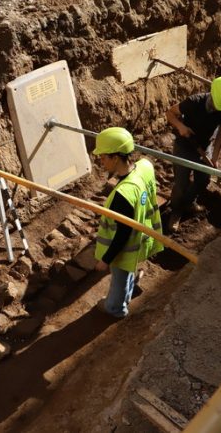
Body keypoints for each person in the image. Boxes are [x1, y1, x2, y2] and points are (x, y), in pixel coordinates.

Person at [92, 127, 164, 318]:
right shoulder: (144, 167)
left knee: (120, 278)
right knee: (127, 274)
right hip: (141, 237)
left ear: (116, 157)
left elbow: (122, 233)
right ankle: (126, 294)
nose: (101, 161)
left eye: (104, 157)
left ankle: (116, 308)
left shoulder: (122, 196)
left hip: (125, 248)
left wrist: (105, 259)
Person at [165, 76, 221, 232]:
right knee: (182, 183)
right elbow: (170, 113)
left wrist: (215, 158)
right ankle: (176, 211)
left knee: (203, 179)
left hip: (205, 146)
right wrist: (180, 126)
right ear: (211, 94)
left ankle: (189, 203)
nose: (220, 110)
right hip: (184, 145)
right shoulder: (194, 102)